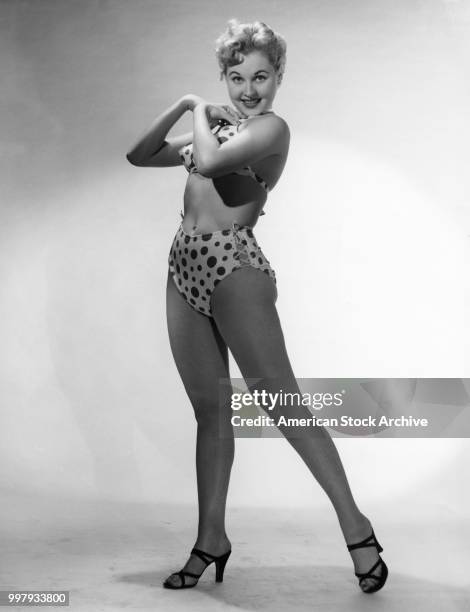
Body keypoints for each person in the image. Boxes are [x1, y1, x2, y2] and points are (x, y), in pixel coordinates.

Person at [126, 18, 388, 595]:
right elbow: (138, 155)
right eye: (237, 76)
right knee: (210, 413)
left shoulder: (271, 130)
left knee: (282, 404)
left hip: (234, 268)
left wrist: (200, 108)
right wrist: (182, 105)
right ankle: (210, 537)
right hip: (182, 267)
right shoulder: (211, 126)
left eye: (261, 77)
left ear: (278, 79)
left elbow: (215, 165)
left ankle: (358, 529)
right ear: (225, 74)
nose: (249, 89)